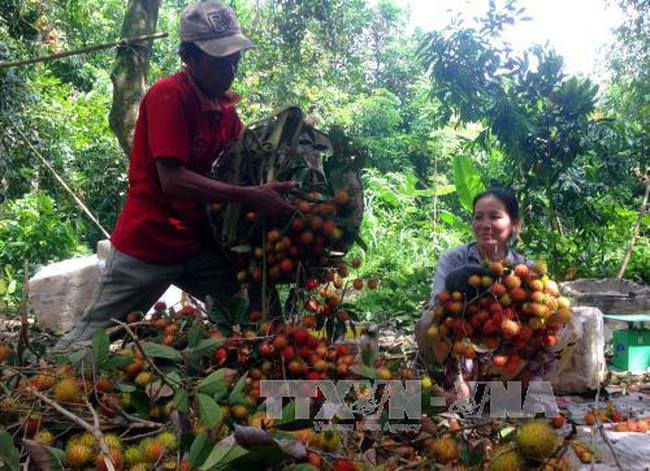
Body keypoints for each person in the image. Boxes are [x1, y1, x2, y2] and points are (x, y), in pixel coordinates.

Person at [53, 0, 294, 351]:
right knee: (87, 345)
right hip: (147, 245)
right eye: (220, 59)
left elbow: (247, 164)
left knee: (257, 316)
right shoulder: (168, 96)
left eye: (235, 59)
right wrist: (252, 196)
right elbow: (173, 181)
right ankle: (49, 368)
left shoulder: (226, 113)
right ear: (189, 57)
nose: (230, 68)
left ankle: (273, 369)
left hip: (200, 246)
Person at [415, 188, 532, 396]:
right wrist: (457, 287)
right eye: (478, 217)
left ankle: (503, 385)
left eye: (495, 217)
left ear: (514, 224)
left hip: (501, 350)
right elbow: (437, 307)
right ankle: (452, 383)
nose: (485, 225)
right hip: (460, 345)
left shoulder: (525, 269)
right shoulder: (454, 259)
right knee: (427, 321)